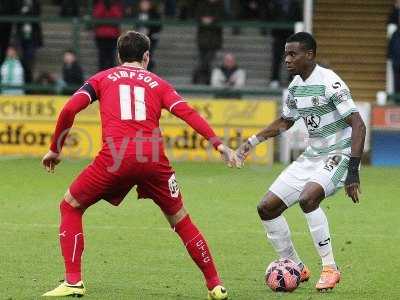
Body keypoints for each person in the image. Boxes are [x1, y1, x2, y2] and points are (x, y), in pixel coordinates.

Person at [41, 31, 237, 299]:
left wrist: (55, 149)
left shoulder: (101, 79)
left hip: (116, 159)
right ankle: (215, 285)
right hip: (154, 161)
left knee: (70, 206)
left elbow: (68, 110)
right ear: (147, 57)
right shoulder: (158, 83)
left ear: (119, 56)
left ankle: (73, 281)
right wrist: (218, 144)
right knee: (181, 220)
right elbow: (186, 112)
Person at [236, 32, 366, 292]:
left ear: (309, 55)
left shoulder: (330, 82)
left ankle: (330, 268)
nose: (286, 59)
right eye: (285, 54)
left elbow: (358, 123)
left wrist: (353, 171)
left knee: (308, 199)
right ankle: (295, 265)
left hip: (338, 154)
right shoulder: (295, 87)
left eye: (292, 54)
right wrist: (251, 142)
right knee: (266, 208)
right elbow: (286, 121)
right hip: (312, 157)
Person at [265, 0, 302, 88]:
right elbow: (270, 18)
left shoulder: (295, 4)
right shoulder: (275, 4)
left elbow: (299, 18)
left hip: (291, 37)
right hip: (278, 36)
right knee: (276, 59)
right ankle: (274, 79)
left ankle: (291, 79)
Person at [192, 0, 224, 85]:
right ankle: (203, 79)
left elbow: (222, 18)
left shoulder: (220, 6)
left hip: (214, 41)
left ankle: (204, 80)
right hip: (202, 40)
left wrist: (212, 21)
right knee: (203, 61)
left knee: (207, 61)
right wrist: (203, 20)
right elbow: (197, 17)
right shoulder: (202, 5)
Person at [16, 0, 43, 84]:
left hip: (32, 38)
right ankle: (25, 79)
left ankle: (29, 79)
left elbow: (37, 15)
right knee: (22, 60)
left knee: (30, 59)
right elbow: (17, 16)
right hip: (22, 37)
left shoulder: (36, 3)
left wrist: (27, 11)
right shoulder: (19, 3)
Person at [93, 0, 124, 71]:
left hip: (113, 36)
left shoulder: (116, 4)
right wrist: (104, 6)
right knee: (102, 58)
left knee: (111, 58)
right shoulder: (100, 3)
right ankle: (101, 77)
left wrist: (111, 6)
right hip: (101, 36)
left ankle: (111, 76)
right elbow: (97, 15)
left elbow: (118, 16)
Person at [134, 0, 162, 71]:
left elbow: (159, 27)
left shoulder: (154, 14)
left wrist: (150, 31)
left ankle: (149, 69)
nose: (144, 5)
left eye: (146, 4)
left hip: (151, 39)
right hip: (140, 39)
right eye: (142, 4)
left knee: (148, 55)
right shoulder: (137, 14)